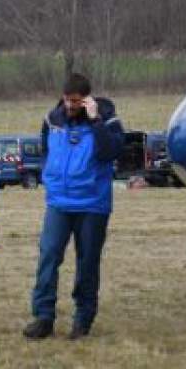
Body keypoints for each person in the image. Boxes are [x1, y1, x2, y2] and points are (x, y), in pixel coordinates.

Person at [23, 73, 124, 340]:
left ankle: (83, 319)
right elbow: (46, 149)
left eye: (76, 101)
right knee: (48, 256)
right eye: (67, 100)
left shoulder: (107, 120)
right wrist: (49, 173)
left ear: (87, 99)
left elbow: (110, 152)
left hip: (92, 204)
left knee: (87, 262)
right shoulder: (52, 120)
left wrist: (96, 121)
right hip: (58, 202)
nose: (70, 106)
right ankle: (43, 316)